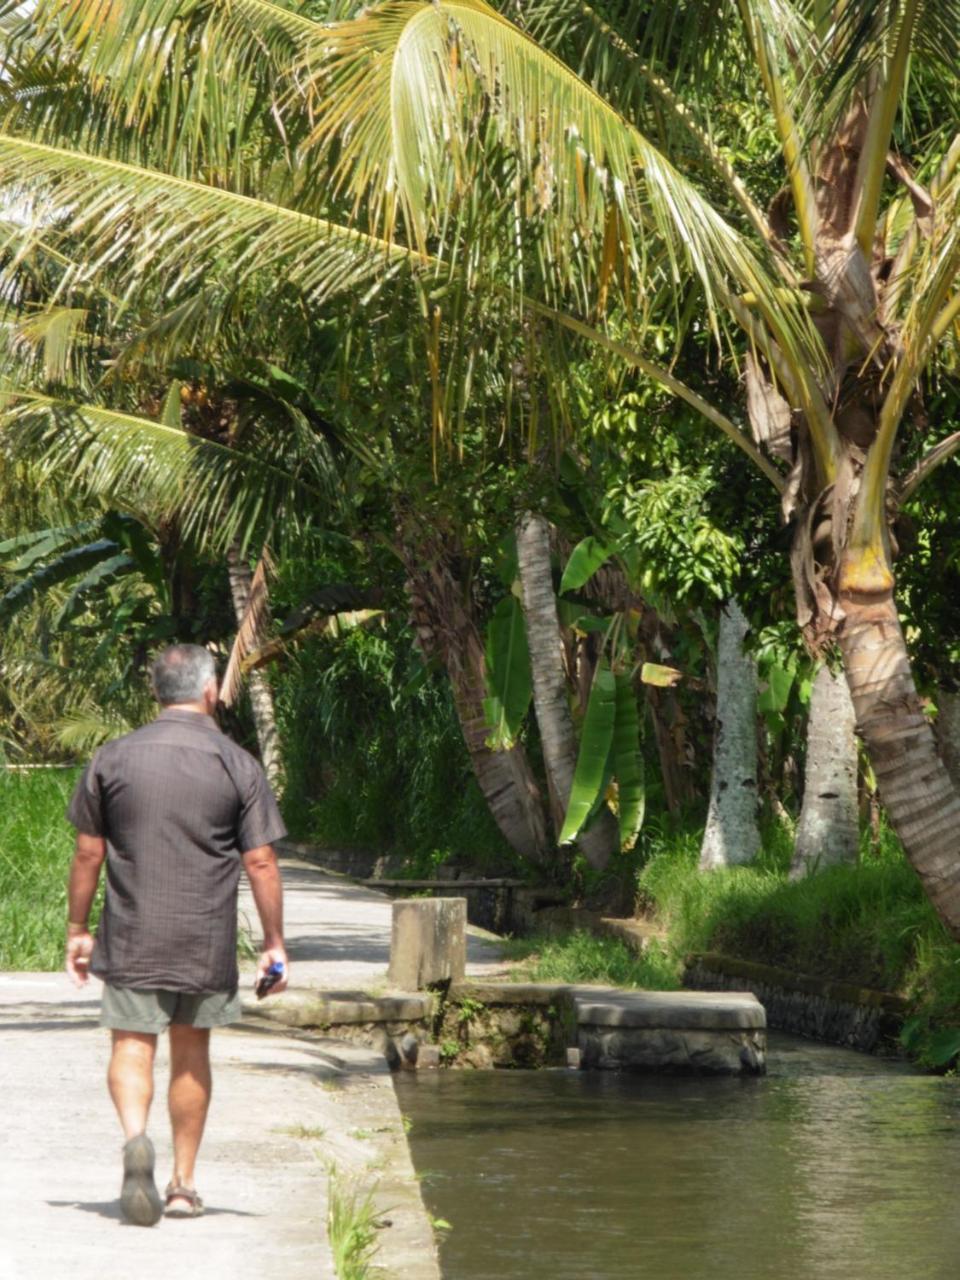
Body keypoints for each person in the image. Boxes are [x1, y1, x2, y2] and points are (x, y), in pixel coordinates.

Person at [64, 643, 289, 1226]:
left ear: (156, 693)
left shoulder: (113, 757)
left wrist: (77, 929)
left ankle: (136, 1137)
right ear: (210, 691)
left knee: (130, 1045)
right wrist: (274, 944)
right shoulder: (236, 763)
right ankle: (184, 1186)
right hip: (204, 938)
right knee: (191, 1053)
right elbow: (261, 861)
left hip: (133, 931)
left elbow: (88, 852)